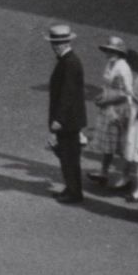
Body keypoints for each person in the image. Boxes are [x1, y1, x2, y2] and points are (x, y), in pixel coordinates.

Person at [47, 25, 88, 203]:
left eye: (57, 43)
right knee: (67, 157)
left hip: (68, 120)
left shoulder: (69, 63)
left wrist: (59, 119)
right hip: (71, 119)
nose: (54, 47)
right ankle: (70, 188)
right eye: (54, 43)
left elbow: (68, 94)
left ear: (64, 44)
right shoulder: (68, 60)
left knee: (69, 157)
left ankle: (74, 192)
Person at [93, 37, 136, 188]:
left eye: (113, 51)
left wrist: (108, 100)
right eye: (109, 50)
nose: (109, 53)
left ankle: (125, 176)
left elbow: (126, 92)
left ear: (120, 53)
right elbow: (107, 84)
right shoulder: (111, 64)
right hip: (109, 105)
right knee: (108, 142)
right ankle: (103, 172)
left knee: (121, 143)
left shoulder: (122, 67)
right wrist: (104, 97)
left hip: (120, 107)